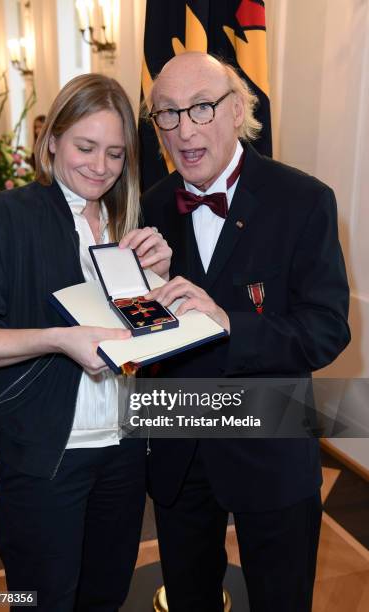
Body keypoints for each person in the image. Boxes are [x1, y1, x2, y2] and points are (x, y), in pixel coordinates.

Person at [141, 52, 350, 612]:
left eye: (201, 108)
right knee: (189, 599)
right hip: (179, 444)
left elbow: (327, 329)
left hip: (272, 444)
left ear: (237, 110)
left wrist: (231, 324)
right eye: (167, 114)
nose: (183, 131)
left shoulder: (304, 200)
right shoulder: (153, 204)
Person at [0, 73, 171, 611]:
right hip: (45, 459)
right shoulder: (3, 220)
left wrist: (160, 288)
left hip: (124, 453)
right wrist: (58, 339)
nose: (100, 167)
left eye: (116, 154)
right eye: (85, 146)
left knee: (107, 595)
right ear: (51, 138)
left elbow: (142, 342)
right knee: (41, 600)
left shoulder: (130, 223)